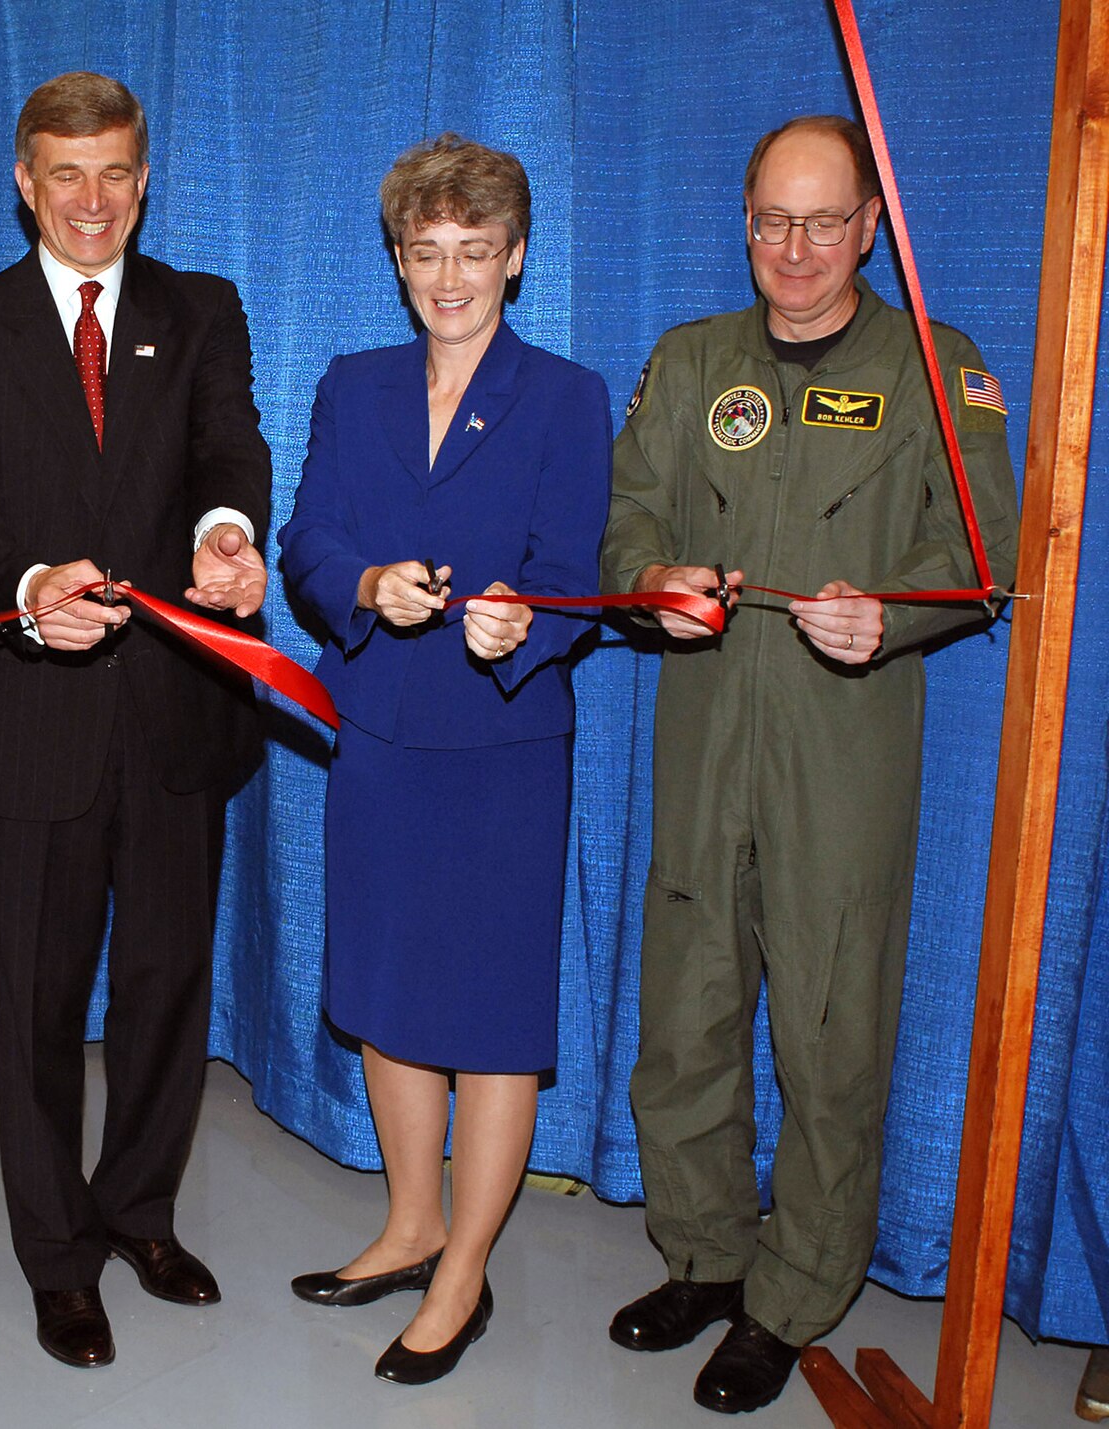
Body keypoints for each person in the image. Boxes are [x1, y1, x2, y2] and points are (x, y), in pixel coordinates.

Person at [600, 114, 1020, 1415]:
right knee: (686, 1013)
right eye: (773, 220)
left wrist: (893, 614)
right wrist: (652, 583)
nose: (796, 248)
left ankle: (793, 1297)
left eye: (824, 221)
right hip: (706, 727)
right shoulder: (691, 361)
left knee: (829, 1030)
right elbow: (627, 529)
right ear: (743, 220)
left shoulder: (934, 370)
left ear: (872, 228)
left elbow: (985, 560)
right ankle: (705, 1254)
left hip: (842, 750)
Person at [0, 71, 271, 1369]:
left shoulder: (202, 309)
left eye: (115, 170)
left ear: (146, 174)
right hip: (32, 719)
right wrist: (25, 587)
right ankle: (56, 1256)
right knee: (40, 1007)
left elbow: (231, 453)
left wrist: (229, 538)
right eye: (66, 172)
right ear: (24, 180)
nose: (92, 199)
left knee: (168, 992)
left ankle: (140, 1214)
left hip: (177, 714)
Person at [278, 134, 610, 1386]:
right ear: (397, 259)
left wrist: (521, 619)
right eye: (426, 252)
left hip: (500, 744)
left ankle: (463, 1268)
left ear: (514, 257)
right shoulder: (352, 383)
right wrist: (361, 581)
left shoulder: (565, 396)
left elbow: (580, 581)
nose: (451, 276)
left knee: (488, 1018)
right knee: (382, 991)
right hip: (378, 733)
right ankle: (409, 1221)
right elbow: (307, 537)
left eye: (475, 252)